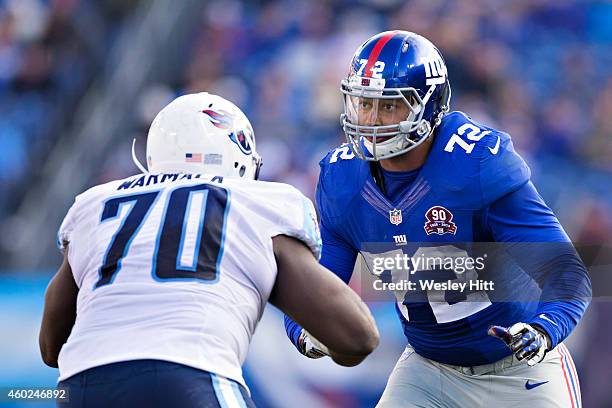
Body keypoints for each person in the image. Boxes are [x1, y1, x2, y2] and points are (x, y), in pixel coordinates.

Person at [284, 31, 591, 407]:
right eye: (363, 104)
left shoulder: (476, 164)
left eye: (389, 106)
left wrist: (543, 331)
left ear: (429, 107)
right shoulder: (341, 180)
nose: (370, 119)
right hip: (428, 371)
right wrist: (305, 329)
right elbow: (315, 282)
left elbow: (567, 273)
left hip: (519, 372)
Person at [39, 92, 379, 408]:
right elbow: (356, 336)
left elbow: (51, 346)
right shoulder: (257, 204)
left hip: (81, 386)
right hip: (191, 375)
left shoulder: (96, 204)